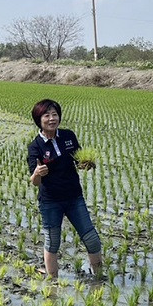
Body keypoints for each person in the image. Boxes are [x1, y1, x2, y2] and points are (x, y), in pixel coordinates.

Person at [28, 98, 103, 279]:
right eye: (47, 115)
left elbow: (78, 161)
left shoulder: (69, 136)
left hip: (74, 198)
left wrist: (86, 163)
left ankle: (99, 277)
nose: (52, 119)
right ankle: (52, 281)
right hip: (50, 201)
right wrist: (38, 172)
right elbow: (35, 182)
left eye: (55, 114)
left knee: (92, 239)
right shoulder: (35, 146)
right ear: (39, 119)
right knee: (52, 242)